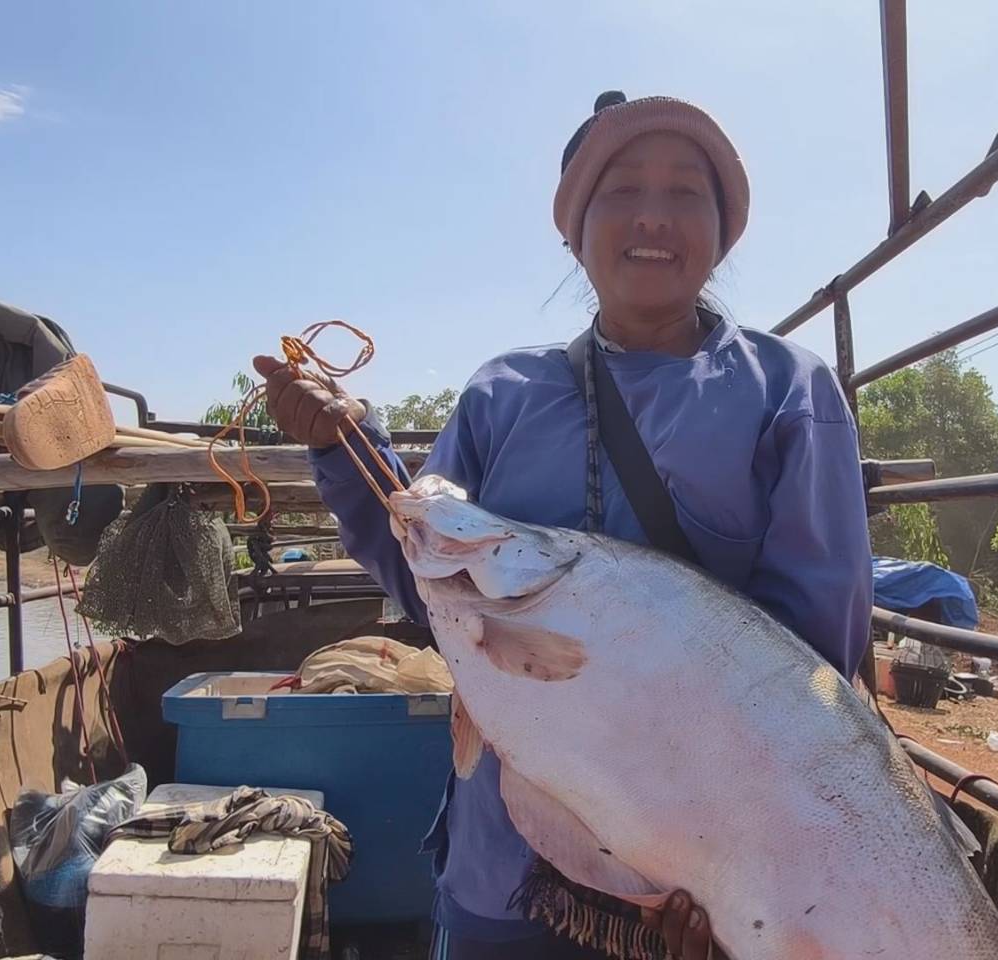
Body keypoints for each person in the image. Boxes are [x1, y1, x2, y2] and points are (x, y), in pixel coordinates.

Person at [255, 91, 871, 960]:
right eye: (619, 190)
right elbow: (440, 593)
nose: (652, 215)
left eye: (686, 191)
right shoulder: (502, 393)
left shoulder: (789, 393)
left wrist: (732, 863)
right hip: (502, 867)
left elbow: (812, 660)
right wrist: (343, 446)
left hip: (697, 874)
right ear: (574, 231)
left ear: (724, 231)